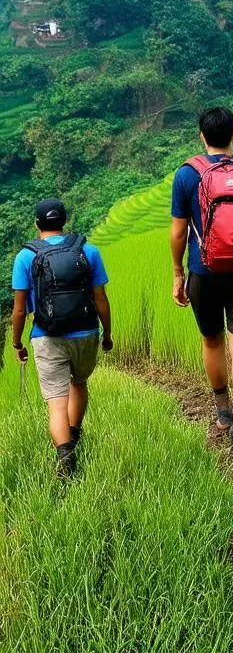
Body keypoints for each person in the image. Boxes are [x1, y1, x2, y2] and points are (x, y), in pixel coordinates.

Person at [170, 107, 233, 465]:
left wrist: (178, 273)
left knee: (211, 339)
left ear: (202, 136)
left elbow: (178, 231)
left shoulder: (187, 175)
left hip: (205, 272)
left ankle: (223, 412)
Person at [10, 200, 113, 477]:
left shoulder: (25, 257)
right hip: (86, 332)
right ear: (64, 221)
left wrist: (17, 342)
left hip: (47, 336)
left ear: (37, 224)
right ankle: (74, 437)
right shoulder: (87, 250)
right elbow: (101, 299)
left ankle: (66, 456)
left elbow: (20, 309)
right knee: (79, 382)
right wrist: (107, 334)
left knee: (57, 402)